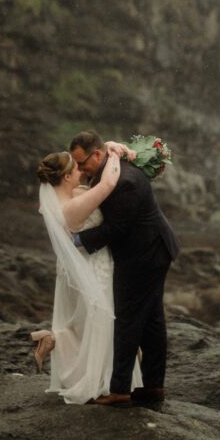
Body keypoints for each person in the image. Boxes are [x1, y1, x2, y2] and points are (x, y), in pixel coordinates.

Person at [69, 130, 179, 407]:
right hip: (151, 249)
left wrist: (77, 240)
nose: (80, 169)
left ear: (97, 154)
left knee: (128, 319)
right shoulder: (111, 164)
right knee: (152, 321)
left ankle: (120, 390)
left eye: (82, 163)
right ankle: (153, 388)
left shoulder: (124, 181)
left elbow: (117, 228)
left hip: (145, 254)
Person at [34, 143, 142, 404]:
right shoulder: (74, 205)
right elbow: (107, 185)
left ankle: (53, 340)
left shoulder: (66, 197)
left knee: (84, 320)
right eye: (77, 168)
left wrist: (110, 146)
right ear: (67, 176)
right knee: (98, 321)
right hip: (92, 266)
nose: (82, 171)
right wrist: (114, 156)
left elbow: (91, 162)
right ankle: (99, 382)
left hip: (74, 266)